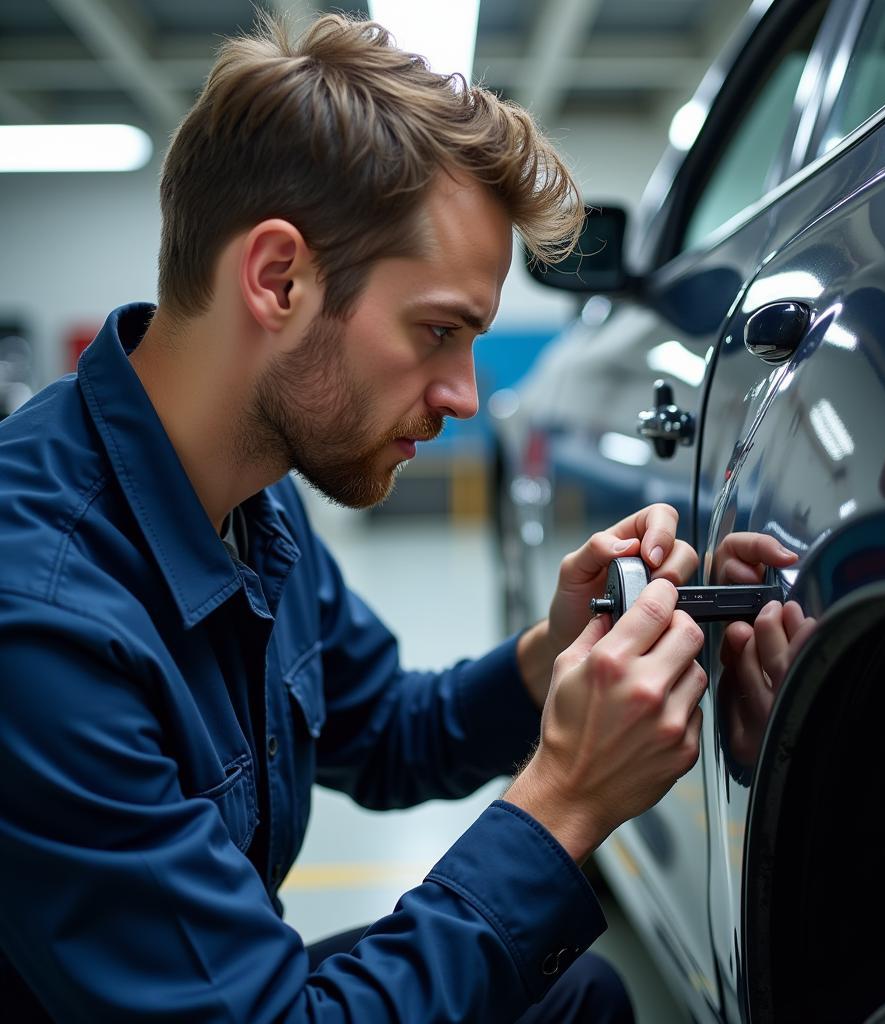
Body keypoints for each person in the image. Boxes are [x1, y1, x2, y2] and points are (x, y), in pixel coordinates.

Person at [0, 13, 718, 1023]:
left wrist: (553, 653)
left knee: (572, 997)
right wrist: (565, 798)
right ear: (278, 279)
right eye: (437, 331)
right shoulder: (40, 619)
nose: (466, 394)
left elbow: (387, 729)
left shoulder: (251, 497)